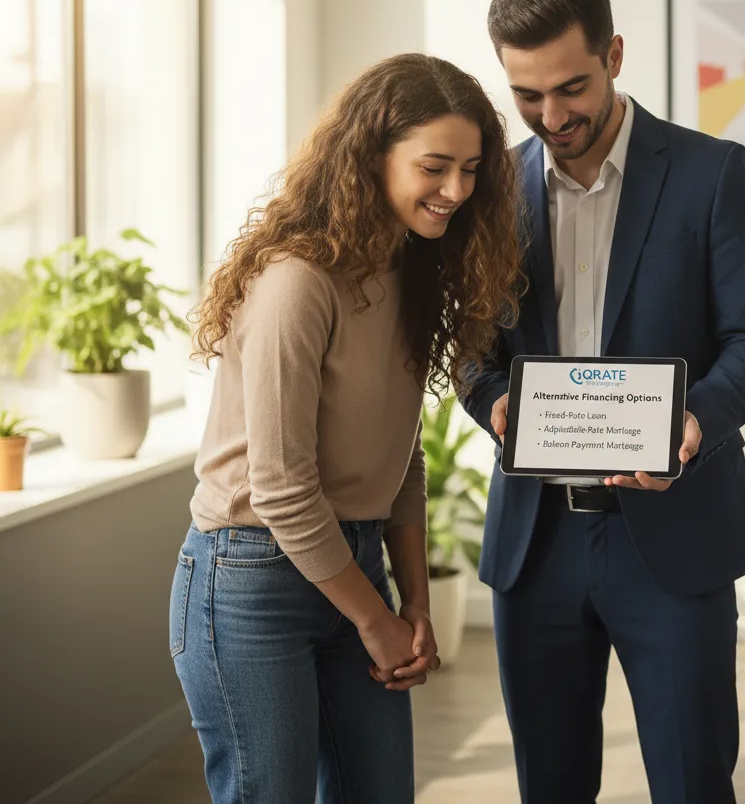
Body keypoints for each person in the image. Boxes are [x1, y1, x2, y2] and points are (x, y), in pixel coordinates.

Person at [461, 0, 745, 803]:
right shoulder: (489, 184)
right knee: (551, 788)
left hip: (673, 535)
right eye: (527, 94)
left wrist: (698, 419)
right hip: (535, 545)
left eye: (571, 87)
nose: (552, 115)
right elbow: (468, 345)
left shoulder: (712, 172)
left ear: (613, 53)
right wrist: (492, 400)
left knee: (691, 784)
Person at [170, 54, 522, 804]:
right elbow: (283, 489)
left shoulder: (412, 273)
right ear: (371, 156)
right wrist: (376, 618)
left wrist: (415, 605)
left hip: (352, 562)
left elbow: (401, 461)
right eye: (435, 167)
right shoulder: (297, 284)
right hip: (252, 574)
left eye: (470, 170)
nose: (457, 191)